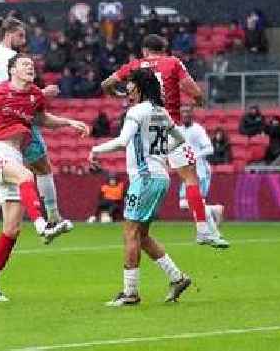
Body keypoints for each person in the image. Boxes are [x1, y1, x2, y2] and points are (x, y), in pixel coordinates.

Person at [0, 53, 89, 301]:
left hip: (16, 155)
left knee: (12, 229)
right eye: (25, 65)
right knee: (26, 177)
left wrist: (70, 122)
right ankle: (44, 225)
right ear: (12, 70)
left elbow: (43, 120)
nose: (30, 67)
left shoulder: (35, 96)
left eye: (32, 65)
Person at [102, 34, 228, 247]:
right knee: (190, 178)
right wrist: (198, 101)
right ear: (165, 48)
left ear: (144, 50)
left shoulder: (135, 65)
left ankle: (136, 232)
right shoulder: (172, 62)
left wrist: (121, 95)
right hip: (169, 128)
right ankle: (203, 230)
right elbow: (195, 92)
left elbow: (106, 84)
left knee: (141, 176)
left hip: (143, 132)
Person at [0, 14, 73, 246]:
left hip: (0, 120)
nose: (24, 40)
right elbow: (16, 91)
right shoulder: (11, 58)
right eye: (20, 35)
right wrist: (43, 94)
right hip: (18, 120)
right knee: (42, 167)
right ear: (9, 35)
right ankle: (53, 217)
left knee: (9, 172)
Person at [89, 68, 192, 306]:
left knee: (130, 233)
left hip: (144, 178)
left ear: (140, 86)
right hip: (160, 176)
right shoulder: (161, 112)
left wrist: (95, 150)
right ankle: (177, 278)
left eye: (131, 83)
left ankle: (130, 293)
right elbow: (180, 138)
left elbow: (123, 142)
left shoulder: (137, 111)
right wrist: (159, 154)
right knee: (142, 235)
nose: (128, 87)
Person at [177, 105, 226, 240]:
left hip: (201, 172)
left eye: (187, 112)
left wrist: (195, 155)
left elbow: (210, 149)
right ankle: (215, 210)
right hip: (187, 173)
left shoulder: (198, 130)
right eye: (183, 112)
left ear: (192, 114)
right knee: (184, 204)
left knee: (198, 203)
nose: (185, 114)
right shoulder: (179, 130)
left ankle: (212, 234)